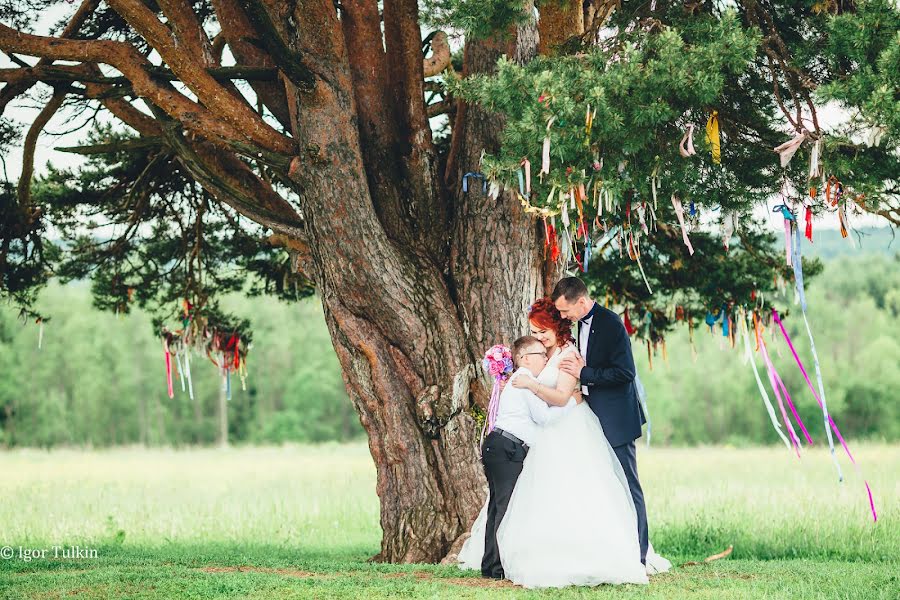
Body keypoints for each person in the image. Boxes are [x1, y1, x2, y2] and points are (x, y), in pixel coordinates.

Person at [458, 298, 655, 587]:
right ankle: (512, 554)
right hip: (540, 431)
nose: (539, 337)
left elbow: (562, 397)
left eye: (543, 331)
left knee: (569, 491)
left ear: (557, 326)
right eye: (534, 332)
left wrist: (533, 386)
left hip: (565, 426)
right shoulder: (540, 355)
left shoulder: (566, 354)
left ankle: (579, 552)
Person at [479, 335, 575, 579]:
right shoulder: (525, 380)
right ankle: (497, 566)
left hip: (500, 446)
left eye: (545, 354)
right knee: (505, 507)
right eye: (540, 355)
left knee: (497, 506)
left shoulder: (521, 381)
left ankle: (491, 565)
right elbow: (543, 418)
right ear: (523, 358)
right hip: (507, 447)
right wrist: (572, 402)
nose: (545, 359)